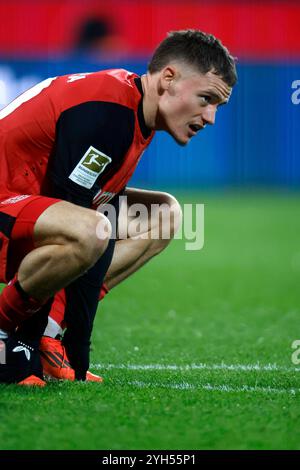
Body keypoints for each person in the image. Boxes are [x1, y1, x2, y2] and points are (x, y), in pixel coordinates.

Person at [0, 29, 237, 386]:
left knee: (164, 214)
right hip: (9, 202)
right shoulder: (107, 113)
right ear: (168, 79)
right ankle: (4, 334)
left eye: (217, 106)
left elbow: (85, 209)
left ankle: (47, 335)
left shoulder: (130, 107)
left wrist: (59, 339)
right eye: (206, 99)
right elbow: (75, 215)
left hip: (28, 208)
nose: (210, 117)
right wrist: (59, 341)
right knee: (91, 229)